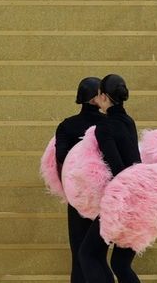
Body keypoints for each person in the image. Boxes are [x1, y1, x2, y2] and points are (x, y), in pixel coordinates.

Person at [78, 74, 141, 283]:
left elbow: (117, 169)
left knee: (88, 254)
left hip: (121, 200)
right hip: (139, 198)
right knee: (121, 265)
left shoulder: (104, 127)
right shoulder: (128, 121)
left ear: (103, 97)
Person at [54, 77, 104, 283]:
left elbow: (61, 158)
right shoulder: (108, 124)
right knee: (98, 256)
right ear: (94, 98)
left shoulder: (67, 125)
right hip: (103, 197)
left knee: (78, 254)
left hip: (77, 197)